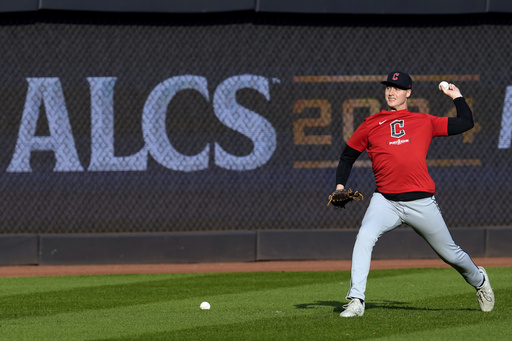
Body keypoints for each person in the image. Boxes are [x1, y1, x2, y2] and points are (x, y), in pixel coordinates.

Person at [335, 71, 495, 317]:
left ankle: (480, 281)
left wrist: (457, 97)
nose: (391, 92)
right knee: (364, 236)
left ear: (408, 92)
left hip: (421, 202)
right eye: (388, 87)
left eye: (397, 88)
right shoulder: (370, 124)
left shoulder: (424, 121)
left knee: (450, 254)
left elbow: (466, 122)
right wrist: (339, 187)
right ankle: (356, 300)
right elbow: (347, 156)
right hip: (385, 201)